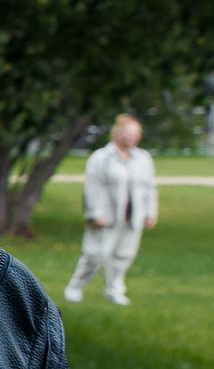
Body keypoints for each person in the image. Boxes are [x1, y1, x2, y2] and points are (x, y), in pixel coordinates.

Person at [66, 113, 157, 306]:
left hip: (132, 217)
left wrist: (150, 212)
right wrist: (94, 213)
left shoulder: (143, 158)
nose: (134, 137)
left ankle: (114, 290)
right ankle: (75, 286)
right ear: (118, 132)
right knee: (95, 254)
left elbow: (149, 187)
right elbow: (92, 187)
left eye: (137, 133)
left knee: (123, 255)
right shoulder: (101, 158)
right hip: (106, 216)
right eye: (130, 132)